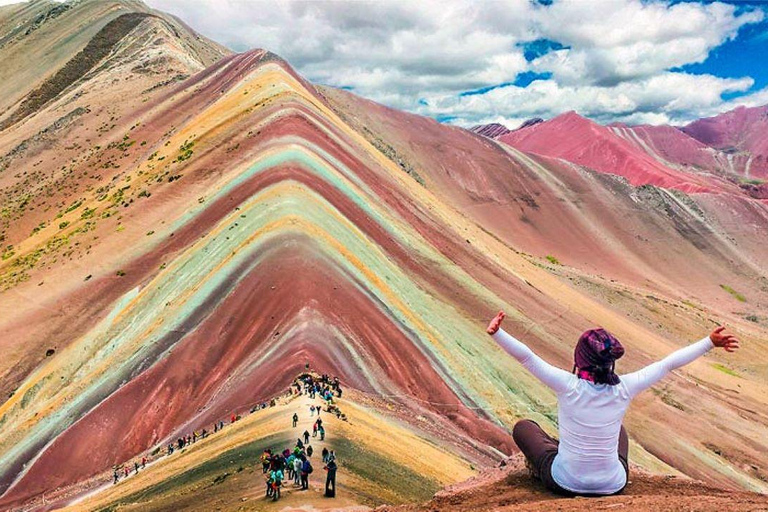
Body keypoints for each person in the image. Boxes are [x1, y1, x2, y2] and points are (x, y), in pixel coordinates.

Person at [486, 311, 740, 497]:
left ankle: (556, 458)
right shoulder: (624, 388)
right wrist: (709, 342)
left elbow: (527, 358)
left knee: (525, 427)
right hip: (613, 484)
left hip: (564, 481)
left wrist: (498, 333)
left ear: (580, 358)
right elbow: (668, 364)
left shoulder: (567, 385)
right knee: (619, 430)